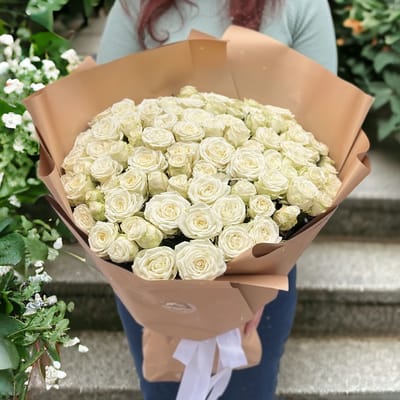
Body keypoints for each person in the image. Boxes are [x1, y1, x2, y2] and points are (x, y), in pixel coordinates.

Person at [96, 1, 337, 399]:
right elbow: (102, 113)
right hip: (147, 277)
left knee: (249, 389)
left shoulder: (301, 5)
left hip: (263, 275)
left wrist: (254, 288)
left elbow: (324, 128)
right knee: (163, 385)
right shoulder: (135, 4)